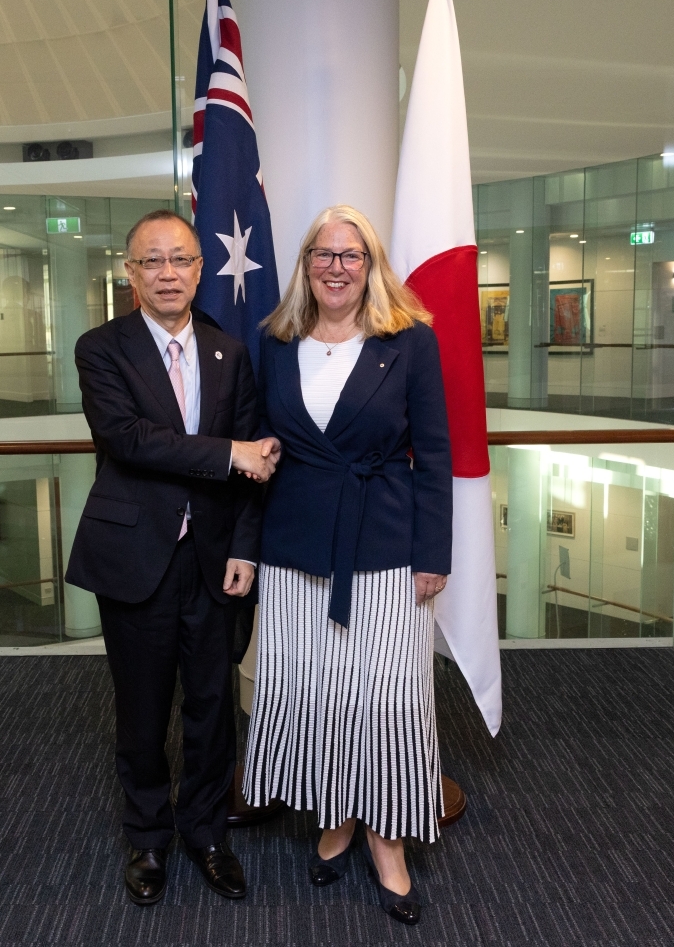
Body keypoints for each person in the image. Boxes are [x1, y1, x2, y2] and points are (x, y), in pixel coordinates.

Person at [242, 205, 453, 926]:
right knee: (320, 690)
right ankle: (336, 818)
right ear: (306, 267)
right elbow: (259, 449)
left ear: (371, 267)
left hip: (386, 547)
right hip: (296, 549)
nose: (336, 267)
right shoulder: (275, 343)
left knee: (390, 698)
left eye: (351, 255)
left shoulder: (409, 342)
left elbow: (436, 454)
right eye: (323, 255)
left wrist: (435, 553)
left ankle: (386, 838)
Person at [66, 209, 280, 906]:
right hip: (136, 557)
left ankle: (207, 833)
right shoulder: (101, 349)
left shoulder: (229, 351)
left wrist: (247, 547)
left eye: (180, 260)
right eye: (151, 261)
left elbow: (259, 460)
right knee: (142, 710)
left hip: (216, 563)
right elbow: (130, 440)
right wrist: (228, 455)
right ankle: (149, 838)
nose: (167, 273)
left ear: (198, 270)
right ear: (130, 274)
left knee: (214, 709)